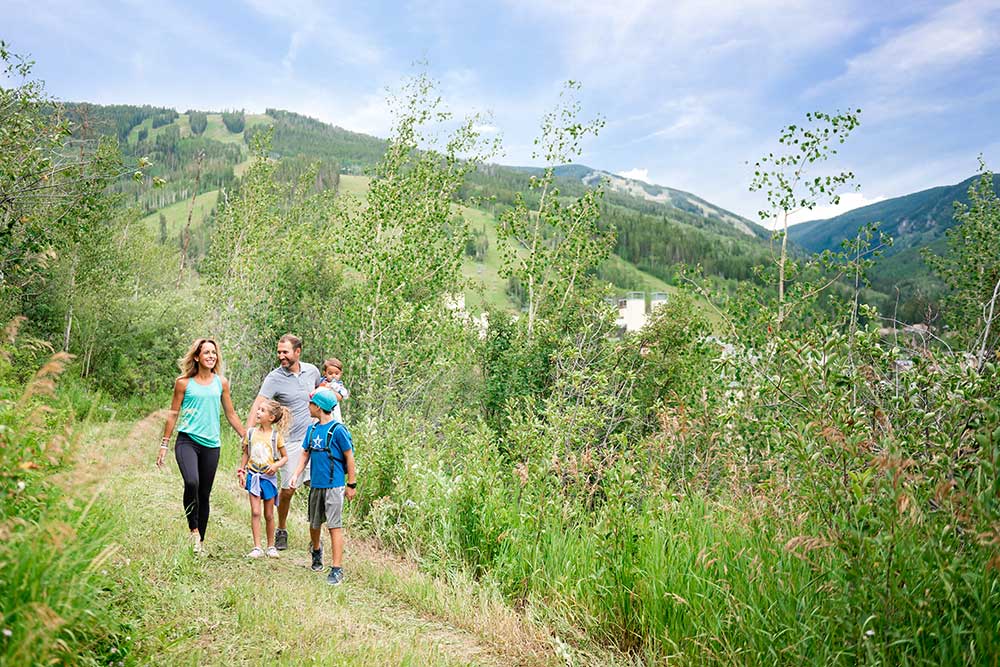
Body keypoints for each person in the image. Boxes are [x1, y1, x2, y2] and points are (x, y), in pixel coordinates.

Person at [158, 338, 245, 554]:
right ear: (197, 357)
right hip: (187, 440)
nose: (211, 356)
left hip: (211, 445)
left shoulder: (221, 383)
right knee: (192, 482)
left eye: (213, 352)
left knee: (204, 494)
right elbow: (173, 414)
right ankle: (193, 528)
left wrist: (246, 435)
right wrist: (164, 444)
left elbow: (230, 413)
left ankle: (200, 543)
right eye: (206, 352)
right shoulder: (183, 383)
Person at [245, 333, 321, 550]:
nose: (281, 356)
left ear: (297, 352)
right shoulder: (274, 378)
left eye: (285, 352)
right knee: (289, 488)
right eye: (279, 352)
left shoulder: (312, 371)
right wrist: (249, 435)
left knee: (317, 489)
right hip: (291, 442)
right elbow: (258, 404)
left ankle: (315, 537)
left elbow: (322, 393)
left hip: (314, 440)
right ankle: (282, 527)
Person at [289, 389, 357, 585]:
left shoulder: (338, 430)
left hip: (334, 486)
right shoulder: (312, 430)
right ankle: (317, 551)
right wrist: (296, 475)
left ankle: (337, 569)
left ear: (318, 407)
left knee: (334, 526)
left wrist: (351, 484)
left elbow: (349, 456)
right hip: (315, 484)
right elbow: (305, 454)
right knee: (314, 523)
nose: (308, 407)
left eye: (311, 404)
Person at [237, 399, 289, 558]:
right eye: (258, 410)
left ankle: (271, 546)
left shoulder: (276, 437)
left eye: (262, 410)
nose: (257, 413)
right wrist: (242, 471)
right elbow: (246, 452)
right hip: (253, 476)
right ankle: (257, 547)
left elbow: (285, 457)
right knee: (255, 512)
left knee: (269, 514)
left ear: (271, 417)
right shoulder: (251, 433)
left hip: (269, 479)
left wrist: (275, 466)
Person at [317, 357, 349, 423]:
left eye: (336, 373)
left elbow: (343, 395)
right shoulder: (321, 381)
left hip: (333, 409)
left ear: (340, 374)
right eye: (330, 373)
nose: (333, 376)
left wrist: (330, 389)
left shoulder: (338, 385)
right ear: (325, 373)